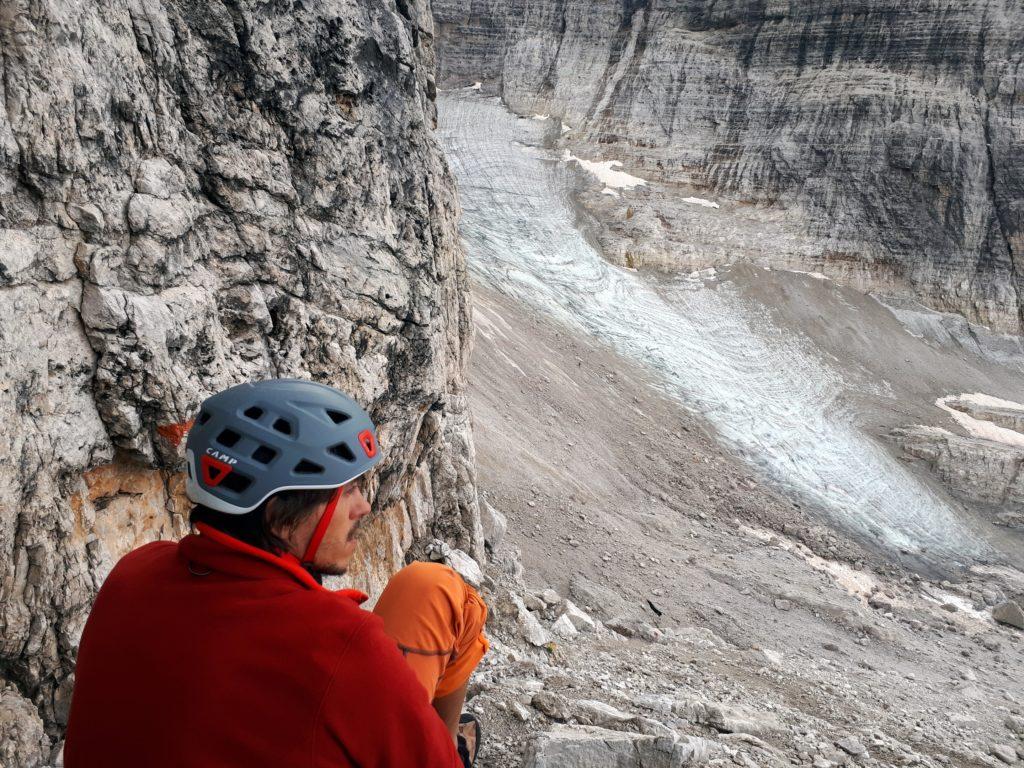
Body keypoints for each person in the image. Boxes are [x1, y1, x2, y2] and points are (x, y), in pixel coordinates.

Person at [64, 378, 488, 767]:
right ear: (278, 513)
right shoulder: (340, 647)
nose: (364, 508)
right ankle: (455, 745)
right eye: (349, 490)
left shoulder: (136, 570)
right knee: (434, 588)